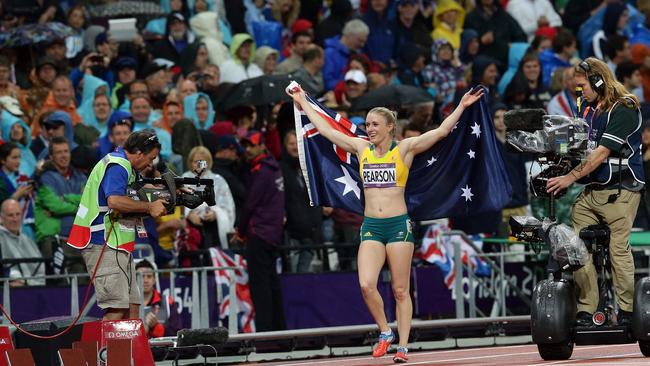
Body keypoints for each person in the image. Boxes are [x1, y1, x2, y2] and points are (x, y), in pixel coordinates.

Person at [288, 83, 484, 363]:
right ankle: (384, 331)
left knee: (400, 289)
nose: (369, 128)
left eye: (375, 124)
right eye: (367, 124)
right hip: (371, 225)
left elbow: (441, 132)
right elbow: (327, 132)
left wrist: (462, 106)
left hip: (397, 226)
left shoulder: (405, 149)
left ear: (390, 126)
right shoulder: (361, 148)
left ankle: (403, 346)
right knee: (367, 284)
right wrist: (303, 102)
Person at [547, 57, 644, 327]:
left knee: (618, 249)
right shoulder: (587, 111)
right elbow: (577, 149)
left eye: (582, 86)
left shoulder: (624, 108)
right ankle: (586, 310)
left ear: (599, 81)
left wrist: (568, 177)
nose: (579, 92)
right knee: (576, 249)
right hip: (592, 192)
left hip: (621, 190)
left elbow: (601, 154)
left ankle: (626, 311)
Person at [67, 130, 167, 320]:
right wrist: (149, 207)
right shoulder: (118, 166)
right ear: (139, 153)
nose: (151, 164)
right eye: (151, 158)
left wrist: (173, 191)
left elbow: (146, 190)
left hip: (116, 245)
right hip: (101, 242)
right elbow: (114, 201)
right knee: (116, 310)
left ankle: (128, 350)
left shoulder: (128, 168)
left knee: (132, 309)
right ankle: (104, 350)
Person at [0, 199, 45, 287]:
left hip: (37, 288)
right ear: (1, 218)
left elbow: (41, 268)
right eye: (10, 215)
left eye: (18, 214)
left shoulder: (28, 240)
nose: (15, 219)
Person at [136, 259, 182, 338]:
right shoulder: (126, 304)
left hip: (162, 350)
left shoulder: (168, 302)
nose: (145, 280)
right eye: (142, 276)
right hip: (135, 349)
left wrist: (155, 327)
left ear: (154, 280)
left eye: (149, 276)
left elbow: (177, 335)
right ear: (135, 280)